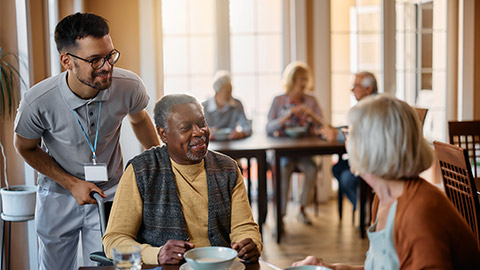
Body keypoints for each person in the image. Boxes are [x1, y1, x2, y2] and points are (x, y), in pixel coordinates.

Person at [13, 13, 160, 270]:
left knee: (107, 267)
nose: (106, 66)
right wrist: (72, 184)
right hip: (58, 195)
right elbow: (24, 147)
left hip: (110, 192)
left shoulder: (129, 86)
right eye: (94, 60)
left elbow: (139, 120)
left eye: (110, 55)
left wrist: (161, 161)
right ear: (66, 61)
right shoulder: (37, 101)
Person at [293, 94, 480, 269]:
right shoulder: (383, 198)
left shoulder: (420, 214)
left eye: (350, 134)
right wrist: (330, 268)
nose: (346, 142)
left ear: (373, 148)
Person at [102, 94, 262, 265]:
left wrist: (249, 242)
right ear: (164, 134)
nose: (199, 133)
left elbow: (243, 227)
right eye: (186, 128)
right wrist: (157, 254)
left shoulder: (228, 168)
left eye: (202, 124)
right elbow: (114, 240)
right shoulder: (141, 171)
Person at [266, 61, 325, 225]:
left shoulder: (311, 100)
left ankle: (302, 209)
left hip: (305, 152)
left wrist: (312, 115)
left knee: (312, 169)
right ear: (292, 80)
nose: (304, 83)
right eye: (301, 79)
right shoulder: (278, 101)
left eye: (306, 79)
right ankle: (281, 214)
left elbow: (323, 125)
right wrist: (286, 116)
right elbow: (269, 128)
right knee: (283, 168)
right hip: (283, 152)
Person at [322, 71, 377, 212]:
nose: (352, 90)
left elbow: (364, 135)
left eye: (356, 86)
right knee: (337, 168)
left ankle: (366, 210)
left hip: (375, 160)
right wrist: (335, 130)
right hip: (366, 156)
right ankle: (363, 208)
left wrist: (337, 135)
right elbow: (355, 128)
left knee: (347, 177)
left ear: (368, 89)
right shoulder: (365, 105)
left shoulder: (375, 107)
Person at [202, 70, 252, 140]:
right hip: (211, 146)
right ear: (217, 92)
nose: (230, 96)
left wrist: (241, 133)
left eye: (230, 91)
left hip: (232, 145)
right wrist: (206, 133)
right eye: (227, 92)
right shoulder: (203, 107)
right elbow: (198, 130)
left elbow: (247, 127)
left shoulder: (237, 104)